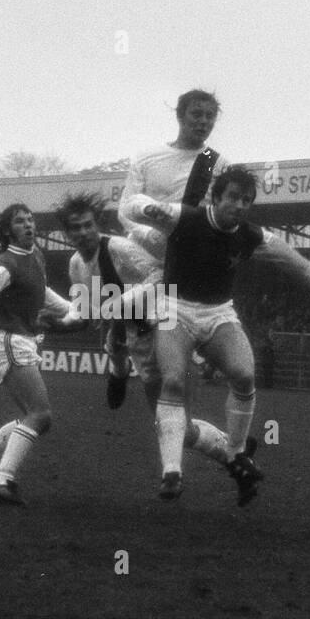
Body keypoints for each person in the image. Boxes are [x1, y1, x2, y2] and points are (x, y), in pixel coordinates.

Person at [121, 166, 310, 505]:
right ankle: (172, 472)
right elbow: (132, 206)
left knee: (244, 375)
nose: (240, 206)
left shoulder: (249, 235)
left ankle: (237, 452)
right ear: (215, 198)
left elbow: (290, 257)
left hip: (218, 313)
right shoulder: (185, 218)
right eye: (234, 197)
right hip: (174, 309)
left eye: (247, 200)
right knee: (174, 381)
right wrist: (146, 207)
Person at [54, 191, 234, 468]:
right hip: (136, 336)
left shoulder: (117, 248)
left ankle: (227, 455)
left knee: (173, 423)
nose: (83, 232)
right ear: (66, 233)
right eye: (75, 228)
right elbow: (85, 310)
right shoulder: (76, 265)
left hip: (165, 326)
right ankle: (233, 451)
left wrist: (122, 302)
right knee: (172, 426)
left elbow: (161, 275)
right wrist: (60, 324)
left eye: (88, 225)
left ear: (97, 225)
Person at [0, 203, 81, 507]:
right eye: (21, 221)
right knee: (41, 415)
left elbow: (41, 291)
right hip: (9, 341)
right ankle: (2, 481)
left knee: (33, 417)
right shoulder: (5, 264)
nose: (29, 225)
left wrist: (72, 310)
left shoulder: (35, 256)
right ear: (8, 231)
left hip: (20, 341)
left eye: (31, 219)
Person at [118, 89, 236, 265]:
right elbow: (125, 210)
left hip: (190, 259)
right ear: (180, 116)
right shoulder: (146, 158)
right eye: (196, 114)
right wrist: (149, 234)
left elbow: (223, 215)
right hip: (143, 258)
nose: (203, 121)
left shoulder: (219, 164)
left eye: (209, 116)